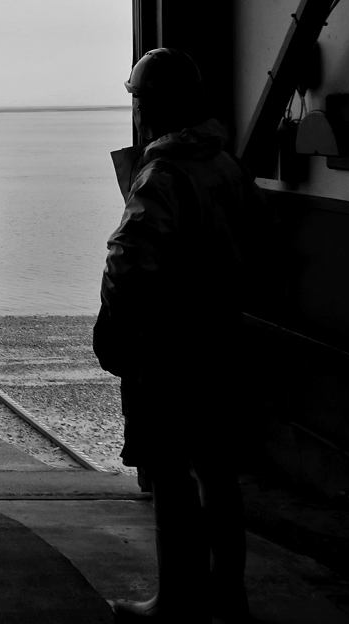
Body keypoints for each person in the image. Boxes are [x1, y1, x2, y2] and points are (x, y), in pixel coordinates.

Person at [94, 49, 266, 623]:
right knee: (219, 475)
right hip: (222, 340)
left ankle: (175, 603)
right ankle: (229, 598)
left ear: (150, 109)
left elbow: (129, 261)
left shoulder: (163, 174)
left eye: (138, 102)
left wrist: (113, 328)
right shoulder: (226, 166)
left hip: (170, 350)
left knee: (169, 474)